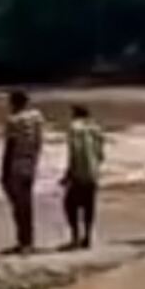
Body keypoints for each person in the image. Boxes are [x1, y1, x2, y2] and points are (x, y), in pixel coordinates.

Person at [0, 90, 45, 254]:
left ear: (14, 103)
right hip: (31, 162)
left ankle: (24, 242)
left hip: (16, 164)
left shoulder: (13, 120)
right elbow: (39, 142)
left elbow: (9, 147)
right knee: (26, 203)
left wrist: (4, 171)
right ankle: (28, 241)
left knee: (19, 206)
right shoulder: (37, 118)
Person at [61, 105, 104, 250]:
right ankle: (88, 237)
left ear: (76, 115)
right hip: (93, 173)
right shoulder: (96, 128)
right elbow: (101, 155)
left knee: (69, 205)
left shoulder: (74, 128)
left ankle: (75, 237)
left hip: (79, 172)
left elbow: (75, 152)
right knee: (89, 206)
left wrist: (68, 174)